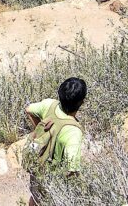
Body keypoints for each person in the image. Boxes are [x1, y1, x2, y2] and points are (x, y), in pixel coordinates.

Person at [24, 77, 87, 205]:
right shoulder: (73, 131)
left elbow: (29, 110)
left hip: (38, 164)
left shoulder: (49, 104)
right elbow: (72, 169)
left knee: (35, 197)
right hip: (54, 177)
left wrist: (39, 131)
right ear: (82, 102)